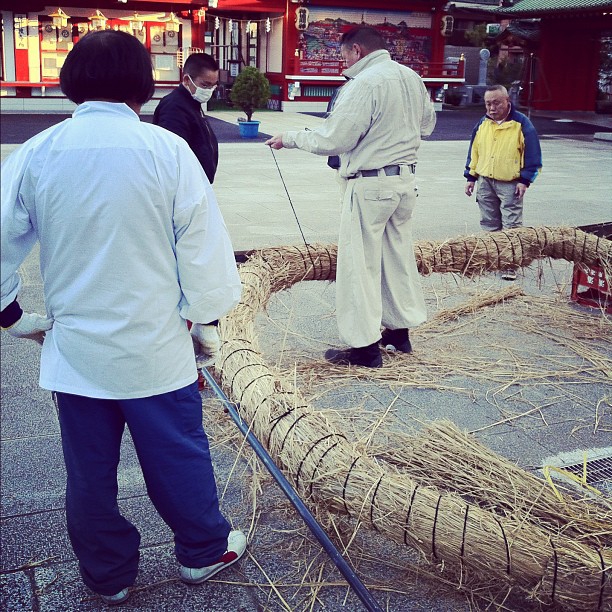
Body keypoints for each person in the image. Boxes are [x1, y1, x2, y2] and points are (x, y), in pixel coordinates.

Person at [0, 30, 246, 605]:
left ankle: (107, 577)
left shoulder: (36, 153)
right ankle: (203, 550)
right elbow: (203, 249)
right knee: (178, 453)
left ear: (70, 84)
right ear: (143, 85)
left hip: (77, 350)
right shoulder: (166, 150)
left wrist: (11, 315)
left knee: (89, 474)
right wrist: (203, 318)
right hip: (156, 343)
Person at [265, 26, 436, 368]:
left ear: (356, 50)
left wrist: (291, 137)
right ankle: (398, 333)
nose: (343, 63)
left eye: (343, 56)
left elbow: (334, 139)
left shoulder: (366, 83)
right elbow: (427, 126)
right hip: (404, 182)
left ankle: (365, 348)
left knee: (360, 266)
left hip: (370, 184)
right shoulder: (410, 77)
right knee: (395, 259)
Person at [464, 84, 542, 280]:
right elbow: (474, 151)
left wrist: (525, 180)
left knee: (511, 225)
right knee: (489, 223)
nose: (492, 108)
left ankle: (510, 265)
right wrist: (471, 177)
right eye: (488, 103)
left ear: (508, 101)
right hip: (485, 181)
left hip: (511, 183)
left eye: (497, 103)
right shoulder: (482, 123)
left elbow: (533, 156)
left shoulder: (522, 124)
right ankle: (493, 259)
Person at [153, 52, 220, 183]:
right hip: (185, 185)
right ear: (187, 80)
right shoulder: (174, 107)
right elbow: (171, 154)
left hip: (197, 183)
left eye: (213, 85)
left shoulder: (193, 103)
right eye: (205, 85)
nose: (209, 90)